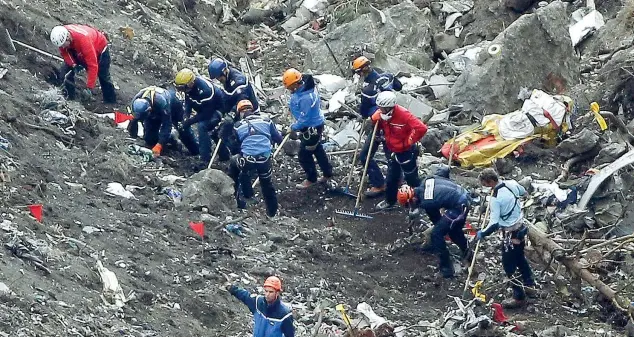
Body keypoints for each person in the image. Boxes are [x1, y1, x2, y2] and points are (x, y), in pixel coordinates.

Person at [476, 168, 536, 309]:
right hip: (520, 228)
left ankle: (518, 297)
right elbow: (523, 192)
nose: (485, 187)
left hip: (510, 234)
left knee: (509, 266)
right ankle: (529, 284)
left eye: (485, 184)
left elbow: (494, 223)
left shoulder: (495, 199)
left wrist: (483, 233)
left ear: (490, 181)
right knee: (520, 258)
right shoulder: (512, 184)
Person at [397, 180, 473, 278]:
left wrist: (437, 240)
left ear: (413, 199)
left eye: (409, 205)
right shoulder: (424, 182)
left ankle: (446, 270)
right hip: (463, 195)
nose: (410, 207)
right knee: (453, 230)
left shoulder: (427, 202)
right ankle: (468, 253)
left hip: (459, 206)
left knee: (437, 234)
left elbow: (435, 218)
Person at [352, 56, 403, 198]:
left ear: (361, 72)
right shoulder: (387, 77)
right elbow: (399, 86)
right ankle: (398, 182)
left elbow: (363, 110)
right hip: (393, 122)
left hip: (379, 126)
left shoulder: (367, 90)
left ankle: (380, 184)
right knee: (391, 156)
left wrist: (364, 117)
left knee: (365, 156)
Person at [370, 91, 427, 210]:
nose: (380, 110)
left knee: (412, 178)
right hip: (393, 150)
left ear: (389, 107)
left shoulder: (403, 115)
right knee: (392, 177)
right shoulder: (381, 115)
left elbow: (421, 128)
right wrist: (376, 123)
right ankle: (390, 201)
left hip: (406, 151)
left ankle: (418, 202)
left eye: (382, 108)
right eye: (379, 107)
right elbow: (378, 122)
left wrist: (408, 141)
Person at [229, 100, 283, 218]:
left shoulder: (238, 126)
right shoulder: (267, 120)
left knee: (236, 164)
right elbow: (278, 138)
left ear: (240, 113)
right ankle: (272, 212)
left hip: (248, 160)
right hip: (265, 159)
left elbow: (235, 147)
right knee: (267, 184)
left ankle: (241, 198)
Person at [283, 68, 333, 189]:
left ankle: (311, 179)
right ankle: (327, 173)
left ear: (296, 84)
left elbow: (305, 118)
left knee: (304, 155)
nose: (289, 89)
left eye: (290, 87)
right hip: (314, 124)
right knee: (318, 149)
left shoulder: (306, 97)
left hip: (312, 128)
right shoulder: (305, 86)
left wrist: (293, 127)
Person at [173, 68, 230, 167]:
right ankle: (223, 154)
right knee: (211, 131)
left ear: (190, 83)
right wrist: (186, 115)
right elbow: (188, 100)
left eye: (182, 88)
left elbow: (206, 114)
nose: (181, 91)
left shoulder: (205, 91)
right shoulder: (189, 88)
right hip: (203, 108)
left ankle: (205, 160)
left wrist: (190, 121)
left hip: (217, 109)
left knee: (203, 126)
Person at [50, 25, 116, 104]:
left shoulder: (84, 40)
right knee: (66, 70)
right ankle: (70, 97)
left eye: (64, 45)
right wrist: (73, 64)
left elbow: (93, 66)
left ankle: (110, 102)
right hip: (77, 47)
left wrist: (89, 87)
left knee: (103, 74)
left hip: (99, 48)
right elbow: (65, 53)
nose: (63, 47)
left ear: (68, 37)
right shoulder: (62, 36)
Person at [128, 86, 199, 157]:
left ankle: (197, 151)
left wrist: (159, 145)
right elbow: (134, 120)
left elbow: (167, 125)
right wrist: (133, 136)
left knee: (182, 128)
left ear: (149, 109)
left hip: (174, 105)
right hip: (154, 110)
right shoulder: (135, 102)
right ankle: (170, 139)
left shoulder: (161, 102)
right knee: (149, 139)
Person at [226, 276, 295, 337]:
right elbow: (245, 296)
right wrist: (231, 288)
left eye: (271, 292)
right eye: (266, 291)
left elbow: (289, 335)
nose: (267, 294)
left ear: (277, 293)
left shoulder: (285, 314)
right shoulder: (257, 302)